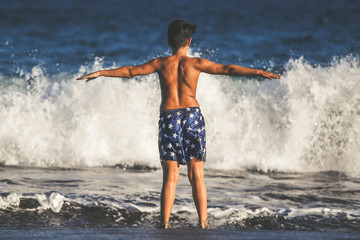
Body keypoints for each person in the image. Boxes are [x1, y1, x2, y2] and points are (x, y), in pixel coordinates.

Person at [77, 19, 280, 229]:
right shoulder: (196, 63)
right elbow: (227, 69)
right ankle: (203, 223)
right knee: (196, 175)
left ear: (168, 41)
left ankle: (164, 223)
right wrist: (257, 72)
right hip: (193, 116)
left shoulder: (160, 63)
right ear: (189, 41)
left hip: (169, 118)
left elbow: (130, 71)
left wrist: (101, 72)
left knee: (170, 177)